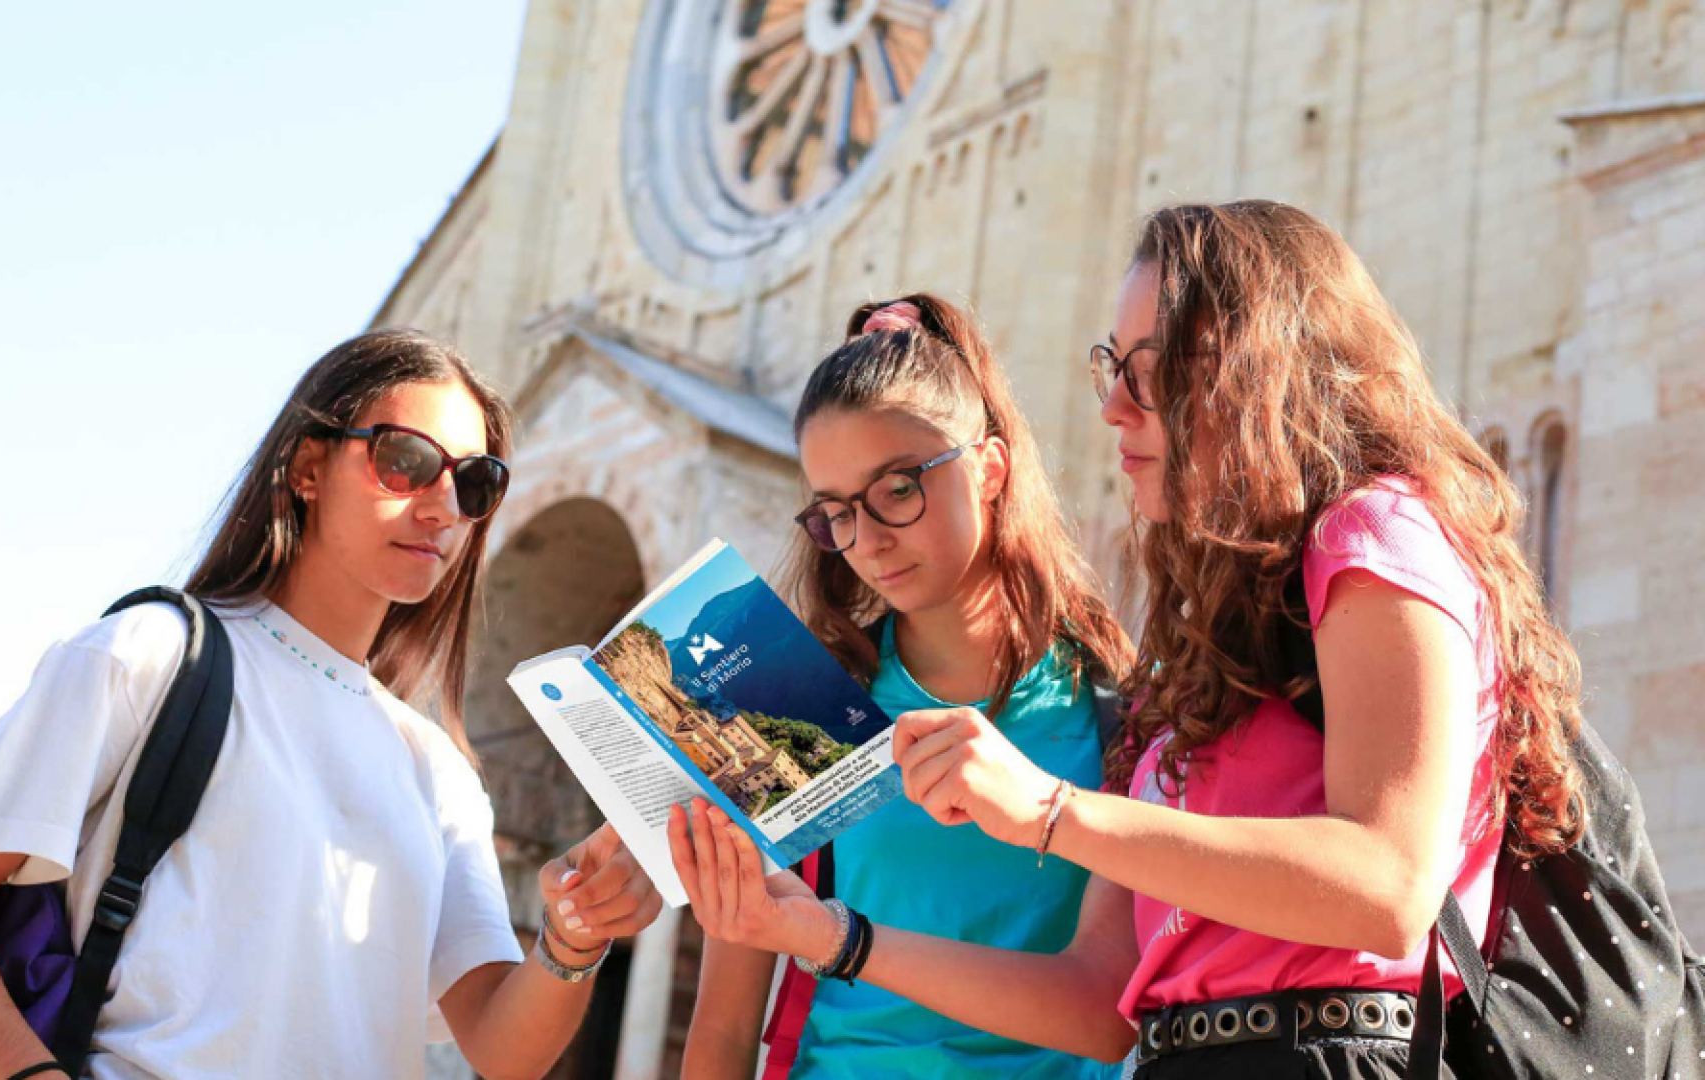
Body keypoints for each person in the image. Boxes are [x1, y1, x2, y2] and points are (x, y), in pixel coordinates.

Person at [673, 202, 1587, 1080]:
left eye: (1143, 370)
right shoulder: (1189, 660)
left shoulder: (1355, 545)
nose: (1110, 405)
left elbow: (1388, 888)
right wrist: (825, 935)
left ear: (1249, 369)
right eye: (1110, 364)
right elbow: (1108, 992)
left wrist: (1051, 813)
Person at [0, 329, 663, 1080]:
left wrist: (574, 935)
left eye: (473, 482)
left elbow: (499, 1045)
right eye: (405, 460)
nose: (441, 505)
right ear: (308, 468)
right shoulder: (151, 652)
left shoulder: (440, 774)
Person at [676, 295, 1133, 1080]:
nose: (869, 541)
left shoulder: (1116, 707)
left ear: (989, 467)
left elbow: (1110, 1017)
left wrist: (840, 938)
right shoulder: (793, 707)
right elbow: (722, 1028)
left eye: (897, 490)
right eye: (836, 514)